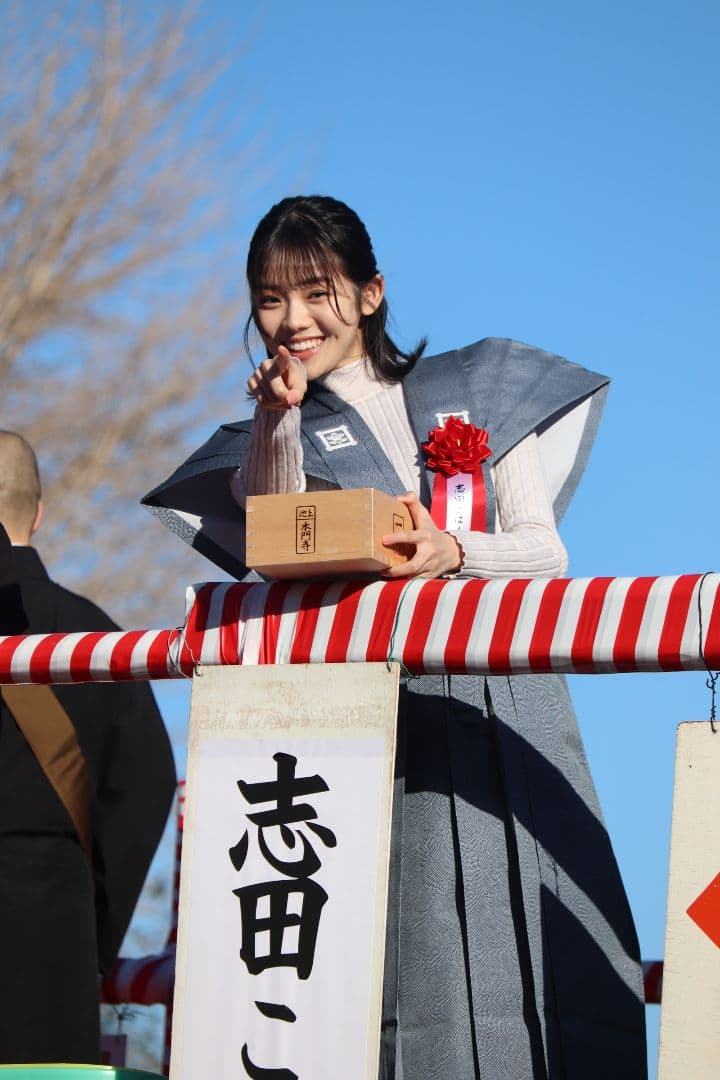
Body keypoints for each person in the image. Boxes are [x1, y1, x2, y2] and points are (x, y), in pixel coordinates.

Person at [143, 196, 647, 1079]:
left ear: (372, 293)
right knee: (402, 948)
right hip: (380, 727)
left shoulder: (478, 388)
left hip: (509, 706)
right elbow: (270, 538)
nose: (293, 320)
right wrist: (276, 419)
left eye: (316, 291)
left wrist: (453, 547)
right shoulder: (270, 429)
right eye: (270, 298)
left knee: (540, 927)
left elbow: (545, 551)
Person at [0, 430, 176, 1065]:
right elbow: (147, 784)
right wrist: (95, 934)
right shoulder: (95, 638)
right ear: (39, 513)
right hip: (51, 925)